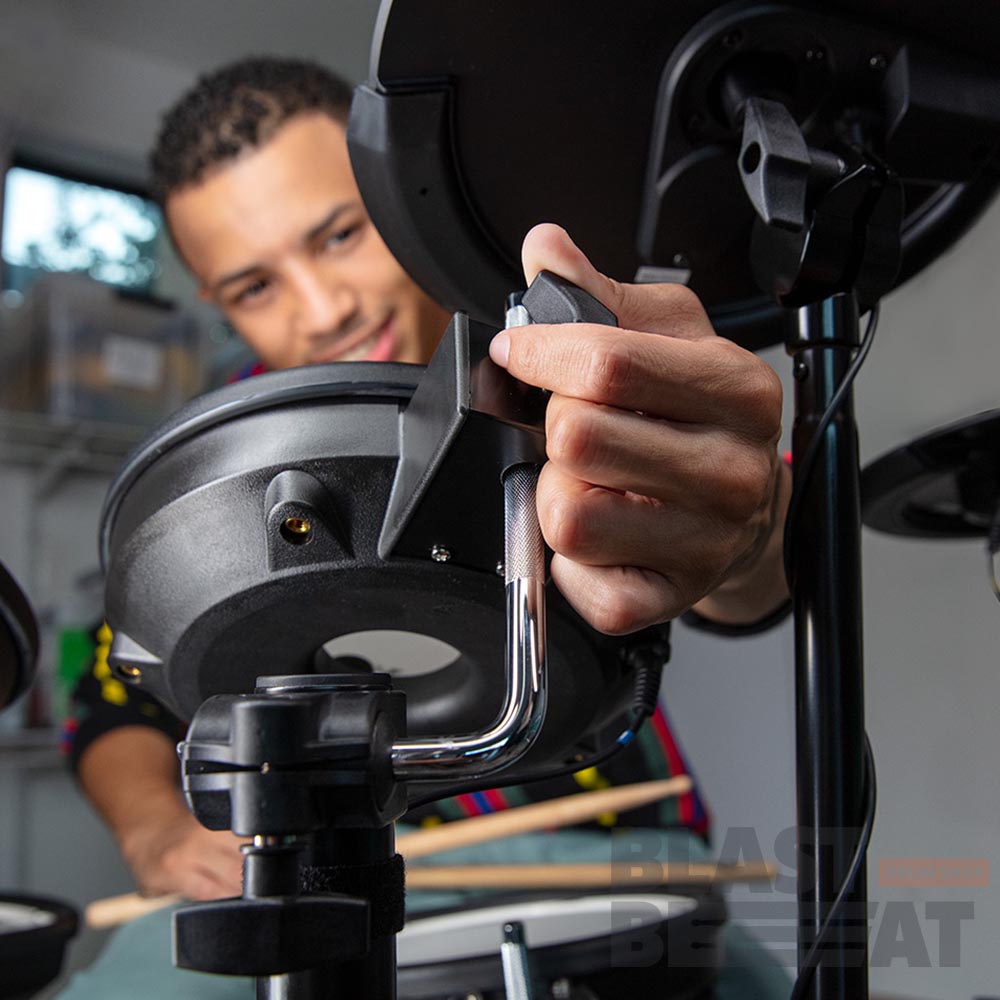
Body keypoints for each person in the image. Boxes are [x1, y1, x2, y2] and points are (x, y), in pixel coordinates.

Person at [64, 56, 791, 978]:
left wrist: (744, 522)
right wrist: (159, 832)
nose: (323, 309)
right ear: (214, 300)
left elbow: (753, 572)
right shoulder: (217, 461)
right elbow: (112, 698)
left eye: (339, 235)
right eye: (255, 287)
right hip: (322, 868)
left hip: (609, 848)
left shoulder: (557, 351)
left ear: (397, 199)